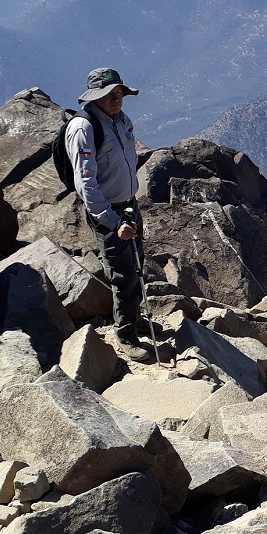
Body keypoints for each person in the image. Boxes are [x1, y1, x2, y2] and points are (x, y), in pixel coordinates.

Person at [65, 68, 150, 362]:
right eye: (109, 94)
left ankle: (136, 321)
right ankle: (126, 335)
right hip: (110, 212)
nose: (117, 99)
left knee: (138, 265)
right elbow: (85, 183)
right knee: (123, 274)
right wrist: (113, 224)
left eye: (119, 93)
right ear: (95, 96)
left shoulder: (119, 120)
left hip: (129, 204)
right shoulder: (84, 129)